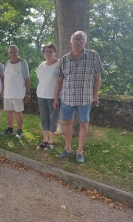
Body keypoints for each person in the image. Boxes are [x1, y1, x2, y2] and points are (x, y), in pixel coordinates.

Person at [53, 31, 103, 163]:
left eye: (81, 40)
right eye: (76, 39)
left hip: (85, 98)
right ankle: (68, 148)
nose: (78, 42)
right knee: (67, 123)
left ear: (85, 42)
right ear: (71, 42)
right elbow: (59, 80)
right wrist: (56, 98)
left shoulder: (93, 56)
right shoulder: (64, 59)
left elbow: (98, 79)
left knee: (83, 124)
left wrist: (95, 96)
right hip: (67, 98)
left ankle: (80, 151)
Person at [1, 45, 30, 139]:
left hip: (18, 93)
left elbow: (27, 79)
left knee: (18, 112)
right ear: (8, 53)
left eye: (14, 52)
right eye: (10, 52)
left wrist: (27, 93)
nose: (12, 54)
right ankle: (10, 128)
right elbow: (4, 78)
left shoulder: (22, 62)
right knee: (9, 111)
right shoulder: (6, 63)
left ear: (18, 52)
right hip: (7, 93)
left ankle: (19, 130)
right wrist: (2, 91)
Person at [36, 44, 60, 150]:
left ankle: (51, 141)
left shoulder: (59, 64)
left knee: (53, 118)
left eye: (50, 51)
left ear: (55, 52)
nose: (48, 53)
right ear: (44, 53)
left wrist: (56, 98)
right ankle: (45, 139)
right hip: (41, 95)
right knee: (44, 118)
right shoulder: (42, 65)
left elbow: (60, 82)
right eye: (46, 51)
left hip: (53, 96)